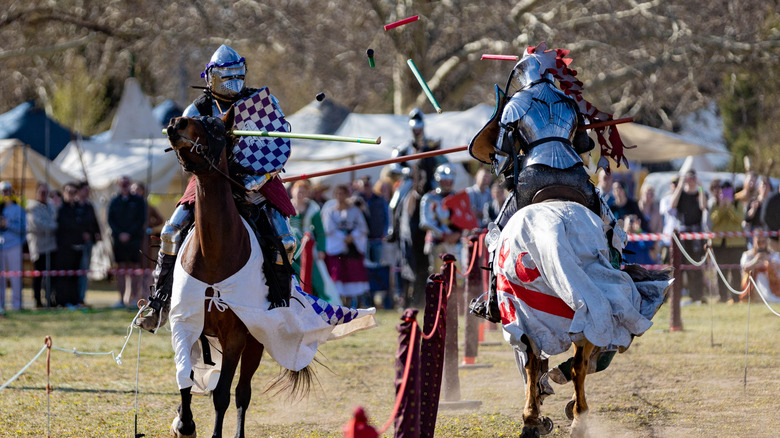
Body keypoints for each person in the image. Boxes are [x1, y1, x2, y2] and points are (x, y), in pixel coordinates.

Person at [135, 44, 298, 331]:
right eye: (227, 76)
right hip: (209, 180)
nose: (234, 83)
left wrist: (258, 180)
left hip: (255, 179)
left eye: (238, 75)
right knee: (171, 230)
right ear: (212, 77)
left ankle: (280, 303)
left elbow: (279, 145)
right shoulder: (197, 109)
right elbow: (184, 156)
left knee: (285, 240)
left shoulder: (260, 102)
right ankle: (159, 301)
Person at [387, 108, 446, 307]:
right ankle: (393, 228)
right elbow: (393, 164)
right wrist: (405, 169)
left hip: (428, 182)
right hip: (408, 181)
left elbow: (443, 162)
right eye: (415, 130)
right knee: (395, 200)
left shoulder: (431, 145)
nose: (417, 132)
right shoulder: (405, 147)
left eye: (419, 129)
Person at [321, 184, 370, 306]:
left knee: (353, 273)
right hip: (337, 247)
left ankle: (355, 301)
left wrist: (352, 236)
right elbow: (328, 229)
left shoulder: (355, 211)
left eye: (342, 193)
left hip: (352, 247)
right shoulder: (330, 212)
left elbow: (362, 227)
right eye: (337, 194)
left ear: (347, 195)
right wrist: (342, 237)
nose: (340, 196)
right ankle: (339, 301)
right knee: (338, 274)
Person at [108, 176, 147, 308]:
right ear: (118, 185)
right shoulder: (114, 201)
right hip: (119, 241)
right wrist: (120, 234)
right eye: (122, 183)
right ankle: (121, 299)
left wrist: (129, 233)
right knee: (120, 269)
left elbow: (140, 220)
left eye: (126, 183)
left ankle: (134, 298)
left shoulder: (138, 201)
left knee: (134, 269)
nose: (124, 185)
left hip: (134, 240)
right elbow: (110, 220)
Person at [671, 169, 708, 303]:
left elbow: (704, 206)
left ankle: (697, 296)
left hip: (696, 235)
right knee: (680, 266)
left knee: (696, 266)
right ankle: (677, 297)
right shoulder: (681, 193)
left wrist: (701, 186)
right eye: (689, 177)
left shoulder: (700, 193)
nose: (690, 180)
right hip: (682, 235)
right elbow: (672, 204)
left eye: (693, 177)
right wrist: (681, 184)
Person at [289, 180, 329, 299]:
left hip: (308, 246)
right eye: (298, 191)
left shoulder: (312, 209)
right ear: (292, 192)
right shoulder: (287, 205)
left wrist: (322, 249)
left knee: (313, 274)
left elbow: (320, 231)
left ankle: (316, 297)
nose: (300, 194)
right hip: (291, 246)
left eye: (303, 192)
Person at [419, 164, 462, 273]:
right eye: (445, 180)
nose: (448, 183)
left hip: (455, 242)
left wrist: (458, 233)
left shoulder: (457, 197)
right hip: (436, 241)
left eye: (449, 181)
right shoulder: (429, 198)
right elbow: (425, 222)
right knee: (437, 276)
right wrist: (443, 235)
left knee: (458, 275)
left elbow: (463, 218)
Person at [709, 180, 746, 302]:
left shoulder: (737, 203)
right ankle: (722, 296)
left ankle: (735, 297)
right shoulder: (716, 204)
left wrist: (730, 206)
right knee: (721, 271)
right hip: (719, 244)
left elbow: (740, 219)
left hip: (736, 244)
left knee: (735, 271)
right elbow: (714, 219)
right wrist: (721, 207)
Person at [26, 183, 58, 308]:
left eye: (46, 192)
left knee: (51, 275)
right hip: (39, 246)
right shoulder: (33, 208)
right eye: (41, 192)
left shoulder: (51, 207)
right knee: (38, 275)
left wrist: (50, 226)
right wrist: (51, 226)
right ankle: (37, 300)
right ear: (37, 193)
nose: (44, 195)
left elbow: (56, 221)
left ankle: (50, 298)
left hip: (51, 245)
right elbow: (38, 225)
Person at [54, 183, 85, 307]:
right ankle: (63, 300)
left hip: (78, 247)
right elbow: (66, 225)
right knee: (63, 276)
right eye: (69, 192)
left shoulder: (79, 208)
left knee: (75, 276)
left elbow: (84, 224)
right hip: (64, 248)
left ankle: (74, 300)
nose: (71, 195)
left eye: (73, 192)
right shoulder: (61, 208)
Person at [131, 182, 164, 298]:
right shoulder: (131, 205)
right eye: (133, 190)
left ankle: (145, 293)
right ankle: (133, 295)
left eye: (138, 190)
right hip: (132, 240)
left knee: (146, 267)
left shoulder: (147, 206)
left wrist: (149, 226)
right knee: (133, 268)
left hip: (144, 241)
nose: (135, 193)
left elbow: (160, 219)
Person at [0, 181, 26, 314]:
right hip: (1, 246)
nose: (5, 194)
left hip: (14, 245)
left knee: (15, 276)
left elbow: (23, 229)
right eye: (3, 191)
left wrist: (8, 224)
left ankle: (17, 304)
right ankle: (1, 305)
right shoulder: (0, 208)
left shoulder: (19, 210)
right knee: (1, 278)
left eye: (7, 191)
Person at [75, 181, 101, 306]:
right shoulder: (74, 206)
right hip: (75, 245)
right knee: (77, 271)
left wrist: (96, 234)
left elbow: (94, 222)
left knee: (84, 271)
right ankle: (76, 297)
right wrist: (81, 234)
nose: (87, 192)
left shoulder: (89, 206)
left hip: (88, 243)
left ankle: (82, 297)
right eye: (85, 190)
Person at [739, 229, 780, 303]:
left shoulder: (772, 254)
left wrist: (768, 262)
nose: (761, 245)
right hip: (753, 284)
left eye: (763, 242)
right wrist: (755, 261)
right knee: (760, 276)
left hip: (771, 283)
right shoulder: (748, 254)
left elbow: (777, 265)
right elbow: (744, 268)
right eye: (758, 242)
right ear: (754, 242)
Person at [658, 176, 681, 264]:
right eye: (674, 184)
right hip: (668, 239)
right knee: (668, 265)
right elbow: (670, 209)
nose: (676, 186)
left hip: (681, 238)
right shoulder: (665, 199)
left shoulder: (684, 199)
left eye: (678, 184)